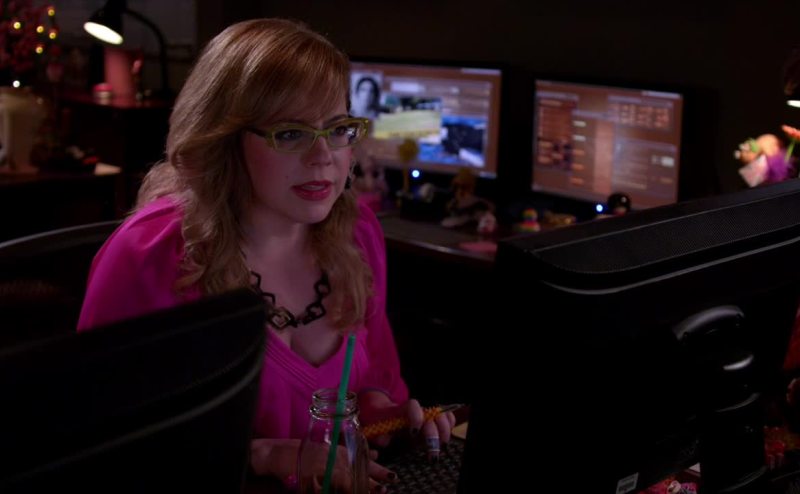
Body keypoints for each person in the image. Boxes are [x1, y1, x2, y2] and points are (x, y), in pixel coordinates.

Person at [77, 18, 454, 491]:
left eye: (338, 129)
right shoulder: (150, 254)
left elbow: (374, 379)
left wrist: (385, 417)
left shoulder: (357, 234)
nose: (323, 156)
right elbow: (96, 446)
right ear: (223, 142)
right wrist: (263, 455)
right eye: (291, 133)